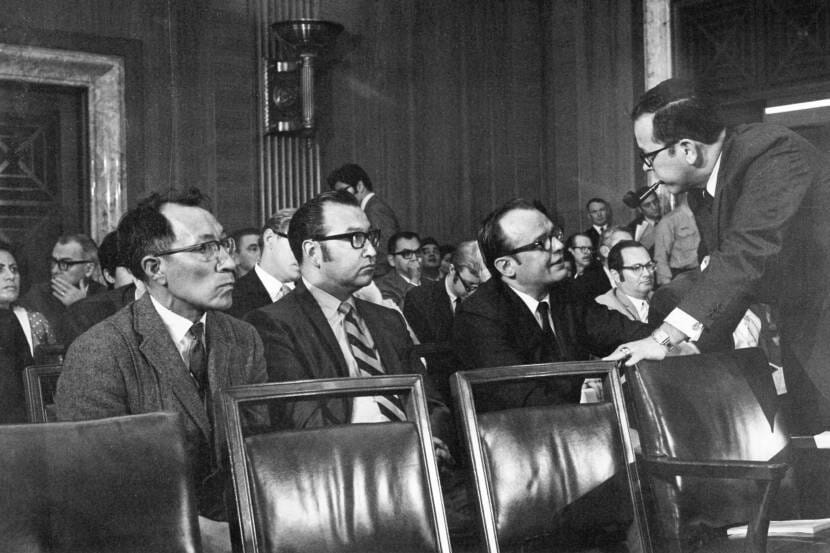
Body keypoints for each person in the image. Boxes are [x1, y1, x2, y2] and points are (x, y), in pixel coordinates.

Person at [607, 78, 830, 434]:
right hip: (807, 327)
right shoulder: (703, 189)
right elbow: (728, 279)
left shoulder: (772, 153)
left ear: (687, 150)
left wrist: (663, 338)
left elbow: (745, 257)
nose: (647, 170)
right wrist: (692, 348)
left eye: (648, 156)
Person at [55, 187, 267, 526]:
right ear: (155, 269)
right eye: (204, 248)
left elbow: (259, 452)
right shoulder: (100, 352)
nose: (229, 263)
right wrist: (199, 534)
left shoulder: (243, 339)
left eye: (224, 244)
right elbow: (95, 487)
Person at [453, 199, 650, 412]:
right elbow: (524, 401)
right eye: (541, 243)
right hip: (519, 434)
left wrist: (661, 341)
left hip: (576, 425)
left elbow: (628, 332)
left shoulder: (566, 293)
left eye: (555, 235)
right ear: (507, 266)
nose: (559, 246)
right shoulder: (478, 315)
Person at [403, 240, 485, 401]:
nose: (474, 293)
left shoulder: (483, 298)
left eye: (478, 287)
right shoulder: (420, 298)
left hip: (478, 384)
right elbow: (430, 351)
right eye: (469, 286)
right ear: (452, 269)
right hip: (439, 388)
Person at [20, 233, 105, 346]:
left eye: (65, 263)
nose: (55, 270)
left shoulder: (104, 297)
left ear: (88, 269)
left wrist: (81, 307)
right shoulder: (37, 295)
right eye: (53, 262)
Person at [327, 163, 399, 277]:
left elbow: (385, 252)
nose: (341, 198)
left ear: (359, 186)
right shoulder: (368, 208)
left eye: (343, 191)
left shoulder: (375, 209)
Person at [227, 209, 298, 319]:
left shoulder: (316, 294)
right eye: (296, 241)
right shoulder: (232, 297)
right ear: (269, 238)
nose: (304, 253)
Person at [0, 242, 56, 358]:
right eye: (0, 270)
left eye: (14, 269)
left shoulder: (35, 322)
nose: (11, 276)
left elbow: (53, 369)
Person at [595, 241, 655, 323]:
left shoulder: (661, 298)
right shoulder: (605, 307)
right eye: (636, 268)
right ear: (616, 275)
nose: (647, 273)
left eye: (649, 266)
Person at [652, 198, 700, 286]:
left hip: (703, 274)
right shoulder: (669, 220)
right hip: (681, 277)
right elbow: (660, 258)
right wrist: (668, 286)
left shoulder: (705, 216)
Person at [375, 231, 422, 308]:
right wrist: (414, 281)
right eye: (406, 254)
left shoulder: (429, 281)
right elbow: (397, 315)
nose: (414, 258)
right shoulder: (383, 286)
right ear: (392, 260)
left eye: (417, 252)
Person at [623, 185, 661, 254]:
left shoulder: (670, 221)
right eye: (647, 205)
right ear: (640, 209)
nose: (654, 207)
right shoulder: (632, 228)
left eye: (655, 202)